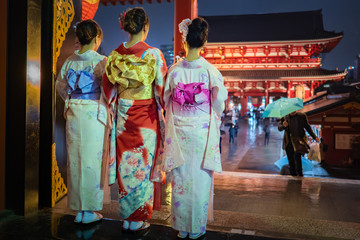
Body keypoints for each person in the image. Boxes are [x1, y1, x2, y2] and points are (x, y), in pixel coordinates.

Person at [162, 17, 228, 239]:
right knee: (199, 180)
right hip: (201, 132)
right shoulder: (210, 71)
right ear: (204, 42)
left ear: (185, 41)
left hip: (180, 130)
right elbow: (219, 102)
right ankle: (196, 228)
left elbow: (166, 99)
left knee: (180, 179)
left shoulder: (174, 71)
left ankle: (181, 227)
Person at [102, 7, 167, 232]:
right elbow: (161, 90)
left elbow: (108, 92)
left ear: (125, 27)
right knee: (142, 165)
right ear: (145, 27)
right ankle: (138, 219)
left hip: (124, 118)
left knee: (126, 166)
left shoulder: (114, 55)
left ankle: (126, 218)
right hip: (145, 119)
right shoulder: (154, 55)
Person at [55, 20, 108, 224]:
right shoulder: (101, 60)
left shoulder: (69, 61)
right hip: (94, 113)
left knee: (76, 160)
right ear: (96, 38)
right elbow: (108, 90)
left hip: (75, 112)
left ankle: (79, 210)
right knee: (92, 161)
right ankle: (90, 210)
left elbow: (61, 86)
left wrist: (72, 99)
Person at [278, 111, 319, 177]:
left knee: (298, 160)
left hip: (299, 142)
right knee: (291, 162)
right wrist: (283, 125)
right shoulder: (285, 116)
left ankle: (300, 176)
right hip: (289, 142)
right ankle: (293, 177)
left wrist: (314, 136)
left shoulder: (301, 116)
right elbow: (279, 128)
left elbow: (307, 127)